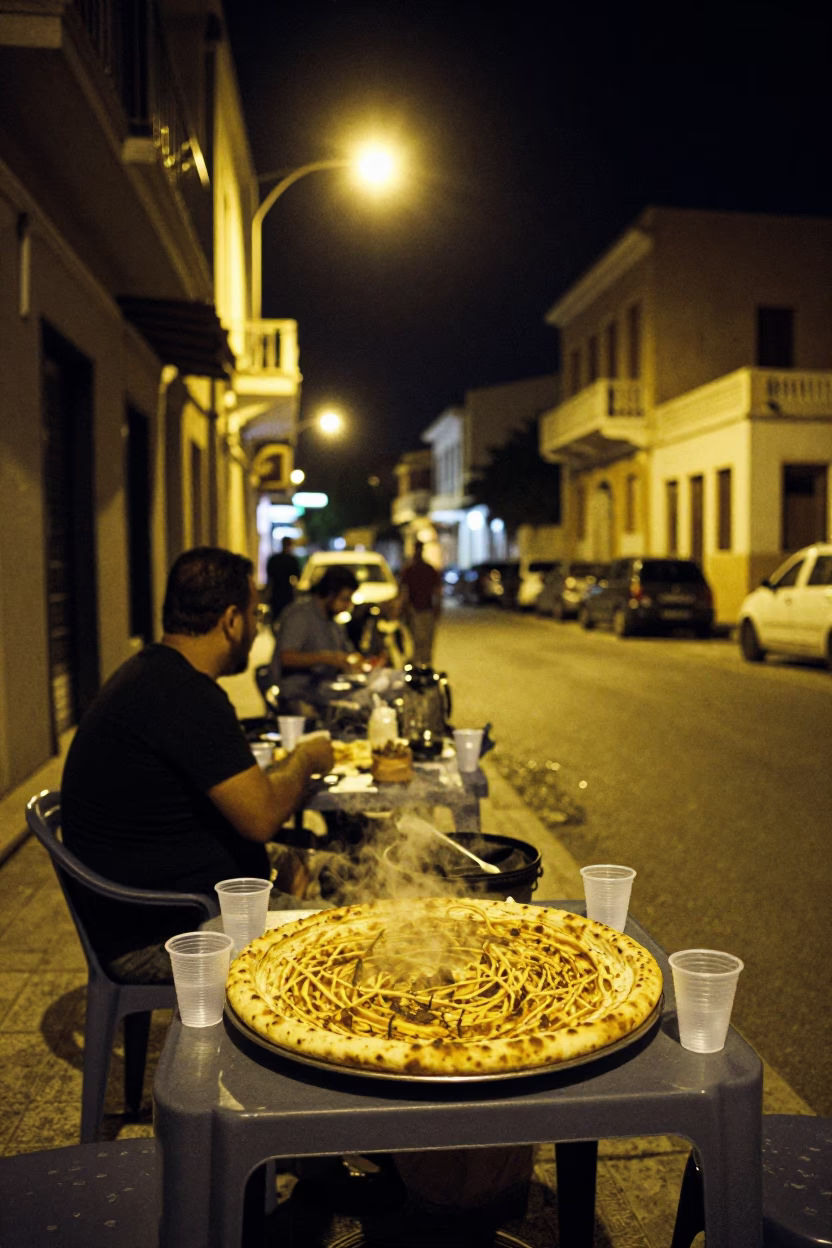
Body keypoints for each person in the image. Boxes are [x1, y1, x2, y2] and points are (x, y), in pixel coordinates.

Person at [61, 546, 333, 982]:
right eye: (255, 613)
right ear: (231, 621)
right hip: (163, 931)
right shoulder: (186, 697)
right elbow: (260, 817)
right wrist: (306, 758)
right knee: (349, 929)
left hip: (173, 898)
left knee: (339, 869)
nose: (257, 625)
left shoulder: (153, 674)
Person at [271, 566, 361, 716]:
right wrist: (325, 658)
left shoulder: (333, 621)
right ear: (330, 594)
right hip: (299, 695)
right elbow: (286, 657)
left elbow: (347, 653)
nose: (348, 606)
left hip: (326, 691)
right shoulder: (300, 615)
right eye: (344, 599)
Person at [399, 540, 442, 666]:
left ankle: (424, 664)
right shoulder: (410, 569)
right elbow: (404, 591)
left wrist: (437, 607)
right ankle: (420, 664)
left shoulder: (424, 569)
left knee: (424, 640)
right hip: (415, 609)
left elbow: (437, 591)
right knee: (420, 640)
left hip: (424, 609)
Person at [358, 592, 414, 670]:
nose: (395, 611)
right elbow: (365, 645)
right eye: (392, 608)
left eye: (397, 609)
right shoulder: (374, 625)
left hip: (399, 666)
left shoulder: (401, 627)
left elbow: (408, 647)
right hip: (378, 667)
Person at [265, 536, 301, 631]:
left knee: (275, 619)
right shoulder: (292, 560)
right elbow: (297, 578)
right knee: (287, 619)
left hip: (276, 593)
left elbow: (269, 579)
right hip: (286, 594)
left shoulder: (274, 559)